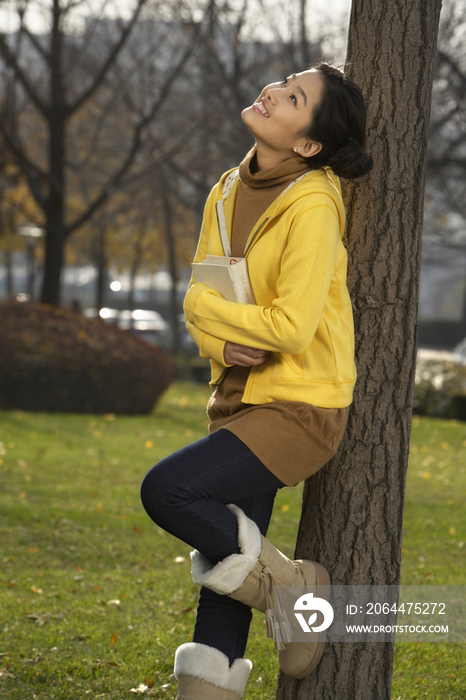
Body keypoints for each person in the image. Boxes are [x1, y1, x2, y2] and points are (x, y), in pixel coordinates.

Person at [141, 63, 373, 700]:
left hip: (299, 406)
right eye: (283, 82)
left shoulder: (315, 202)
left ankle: (292, 590)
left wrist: (207, 314)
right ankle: (273, 608)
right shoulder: (226, 189)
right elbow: (200, 300)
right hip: (237, 399)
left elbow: (290, 327)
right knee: (221, 582)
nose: (273, 90)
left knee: (168, 491)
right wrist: (216, 332)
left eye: (294, 96)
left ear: (307, 144)